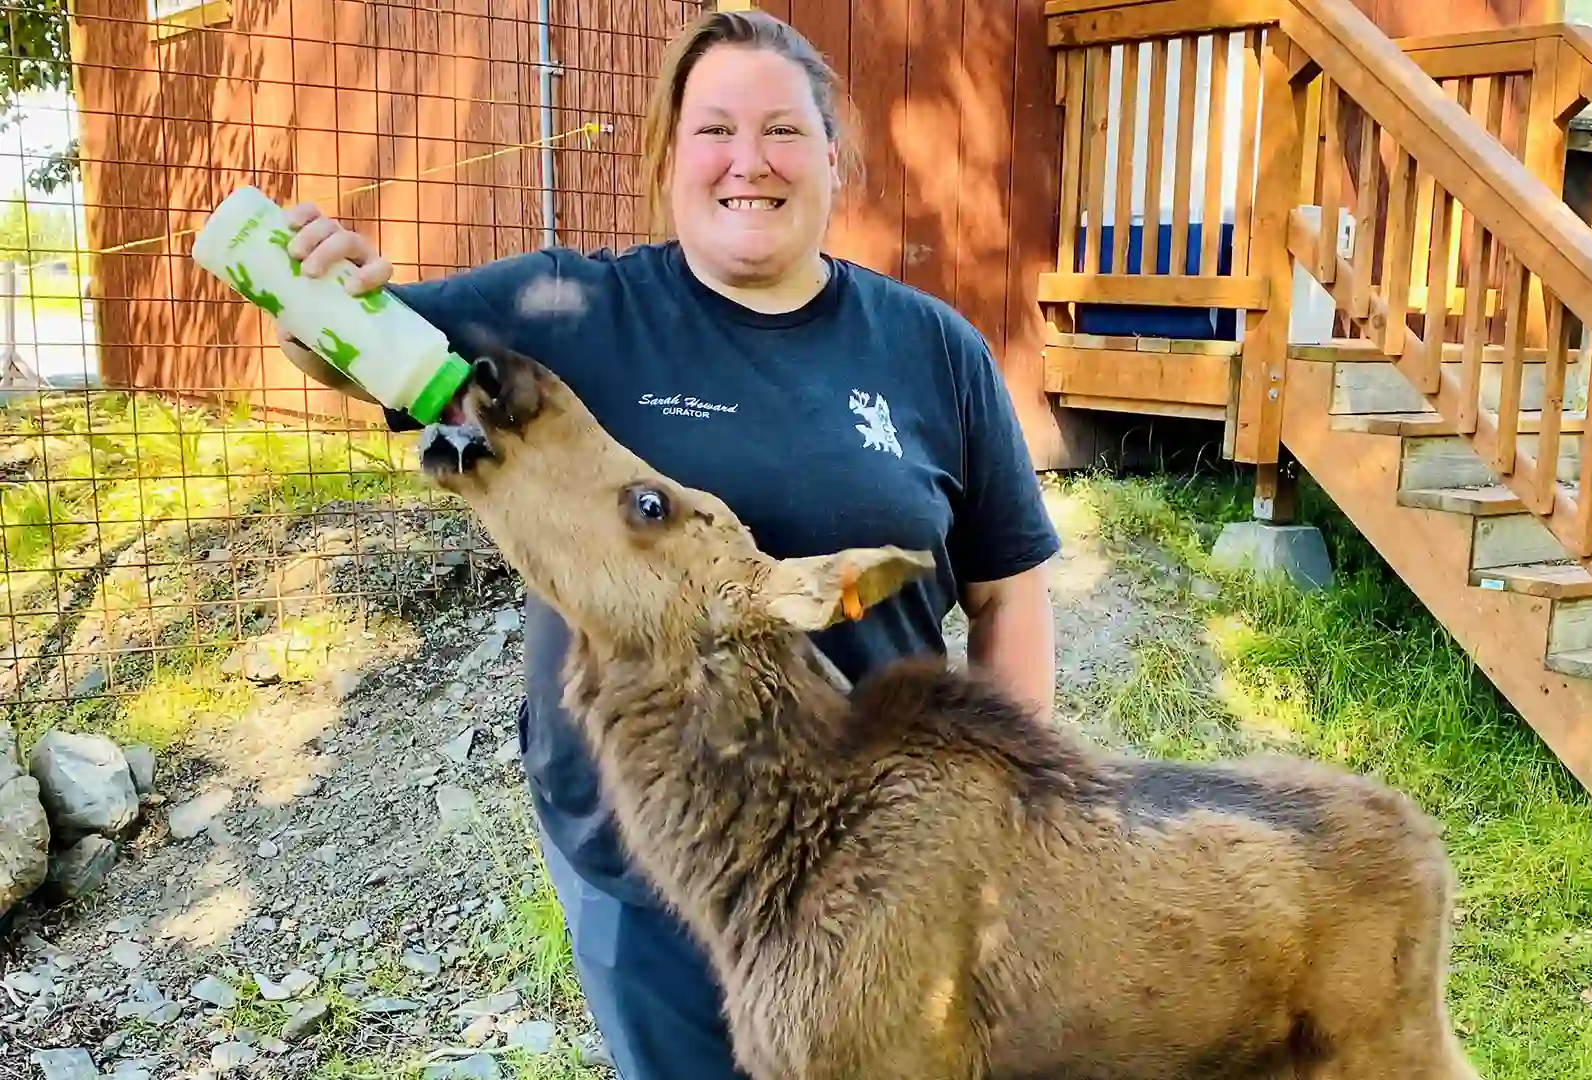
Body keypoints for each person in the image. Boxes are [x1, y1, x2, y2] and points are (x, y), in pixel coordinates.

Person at [266, 9, 1060, 1079]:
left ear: (833, 156)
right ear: (667, 157)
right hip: (645, 862)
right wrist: (316, 297)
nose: (749, 162)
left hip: (879, 870)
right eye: (714, 131)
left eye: (784, 130)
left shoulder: (934, 350)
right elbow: (375, 351)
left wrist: (1010, 818)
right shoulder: (574, 308)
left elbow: (1010, 592)